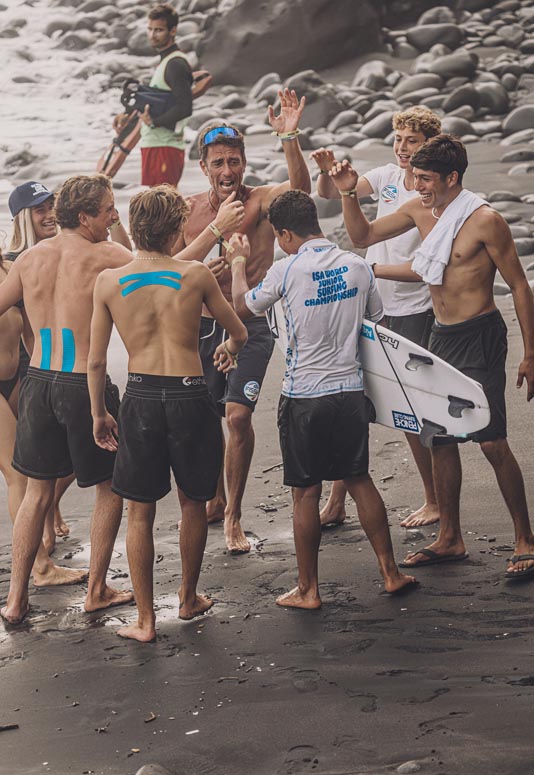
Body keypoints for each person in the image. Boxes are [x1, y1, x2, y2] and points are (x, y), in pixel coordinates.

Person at [330, 134, 534, 579]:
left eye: (425, 179)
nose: (417, 185)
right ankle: (450, 537)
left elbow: (520, 284)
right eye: (415, 177)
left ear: (452, 177)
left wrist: (530, 352)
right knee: (438, 438)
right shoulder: (419, 210)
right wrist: (347, 193)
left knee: (491, 439)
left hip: (479, 335)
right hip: (440, 334)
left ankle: (525, 538)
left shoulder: (486, 220)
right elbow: (362, 236)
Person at [229, 190, 416, 607]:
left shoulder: (285, 269)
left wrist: (238, 262)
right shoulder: (357, 265)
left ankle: (308, 589)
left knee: (306, 493)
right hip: (349, 392)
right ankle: (390, 573)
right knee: (358, 478)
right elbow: (376, 324)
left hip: (304, 396)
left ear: (284, 234)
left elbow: (243, 306)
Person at [88, 185, 248, 642]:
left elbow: (96, 361)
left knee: (139, 512)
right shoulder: (194, 274)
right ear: (178, 228)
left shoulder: (110, 281)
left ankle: (145, 620)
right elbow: (238, 330)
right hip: (189, 395)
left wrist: (99, 413)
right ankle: (188, 597)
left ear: (133, 228)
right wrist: (228, 348)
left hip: (140, 397)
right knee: (193, 503)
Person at [173, 88, 311, 554]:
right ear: (204, 167)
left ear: (245, 163)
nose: (227, 170)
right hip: (200, 326)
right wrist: (199, 268)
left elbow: (301, 191)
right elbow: (166, 266)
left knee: (236, 416)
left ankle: (233, 514)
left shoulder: (261, 202)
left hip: (250, 325)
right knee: (206, 416)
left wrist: (289, 136)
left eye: (234, 161)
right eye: (218, 163)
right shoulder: (188, 210)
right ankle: (214, 499)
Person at [0, 174, 135, 624]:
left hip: (38, 381)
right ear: (84, 216)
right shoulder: (107, 256)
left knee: (36, 493)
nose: (113, 215)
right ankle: (96, 590)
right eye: (108, 209)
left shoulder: (28, 259)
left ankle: (15, 600)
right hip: (82, 384)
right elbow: (161, 269)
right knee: (109, 487)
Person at [311, 106, 442, 529]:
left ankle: (434, 499)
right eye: (399, 139)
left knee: (411, 411)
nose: (403, 148)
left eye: (412, 141)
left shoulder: (432, 194)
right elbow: (330, 194)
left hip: (413, 311)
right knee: (354, 398)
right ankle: (337, 501)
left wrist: (373, 269)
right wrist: (328, 173)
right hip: (371, 308)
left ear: (430, 146)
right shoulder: (386, 177)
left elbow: (427, 268)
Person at [6, 182, 75, 551]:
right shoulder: (13, 261)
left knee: (61, 453)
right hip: (20, 373)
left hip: (37, 369)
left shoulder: (60, 251)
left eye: (52, 206)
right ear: (23, 218)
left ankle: (50, 512)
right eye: (40, 209)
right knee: (29, 468)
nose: (49, 215)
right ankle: (41, 545)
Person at [133, 3, 212, 188]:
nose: (152, 35)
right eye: (150, 29)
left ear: (173, 30)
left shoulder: (175, 64)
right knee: (157, 202)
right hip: (155, 145)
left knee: (164, 203)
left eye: (159, 30)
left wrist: (154, 122)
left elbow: (185, 107)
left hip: (165, 147)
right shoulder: (166, 62)